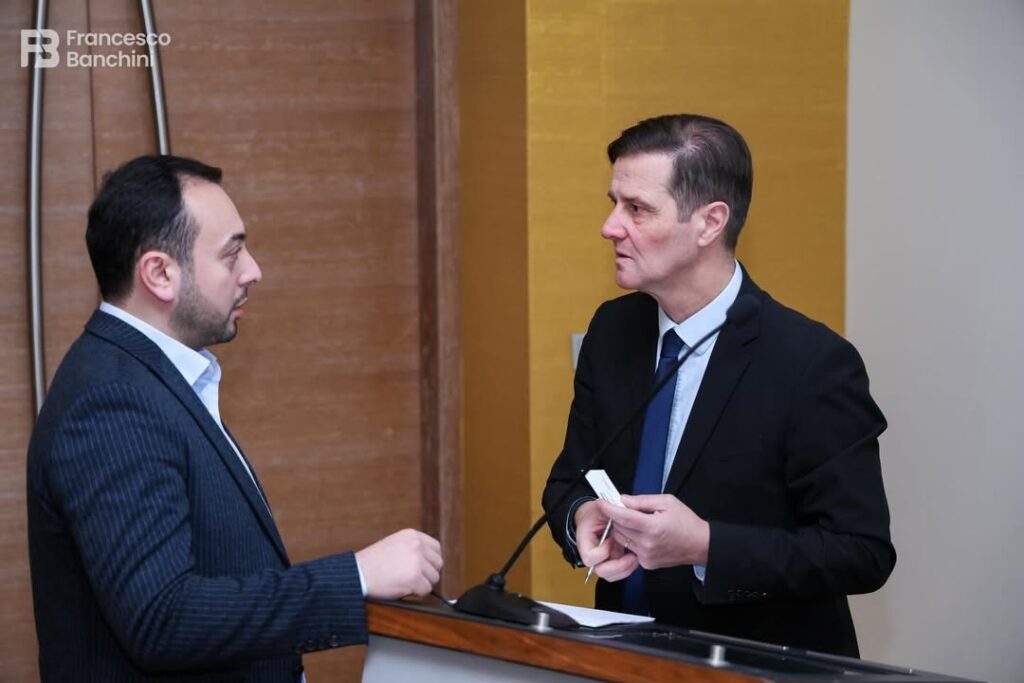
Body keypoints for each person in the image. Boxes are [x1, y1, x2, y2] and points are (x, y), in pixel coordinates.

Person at [26, 155, 443, 681]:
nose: (252, 271)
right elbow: (164, 619)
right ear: (159, 273)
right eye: (232, 254)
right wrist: (356, 576)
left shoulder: (152, 376)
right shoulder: (113, 402)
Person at [542, 114, 895, 657]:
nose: (610, 227)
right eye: (614, 203)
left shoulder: (812, 362)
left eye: (637, 209)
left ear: (710, 223)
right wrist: (581, 518)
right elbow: (571, 478)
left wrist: (705, 546)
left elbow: (860, 552)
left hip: (755, 662)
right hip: (623, 656)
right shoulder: (613, 330)